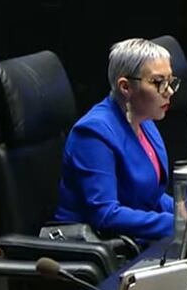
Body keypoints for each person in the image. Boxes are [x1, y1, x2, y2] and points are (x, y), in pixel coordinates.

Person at [54, 39, 178, 242]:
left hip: (133, 239)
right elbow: (105, 214)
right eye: (158, 82)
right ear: (125, 87)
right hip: (94, 250)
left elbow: (151, 195)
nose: (169, 91)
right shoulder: (93, 133)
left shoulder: (143, 119)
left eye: (170, 81)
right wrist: (174, 225)